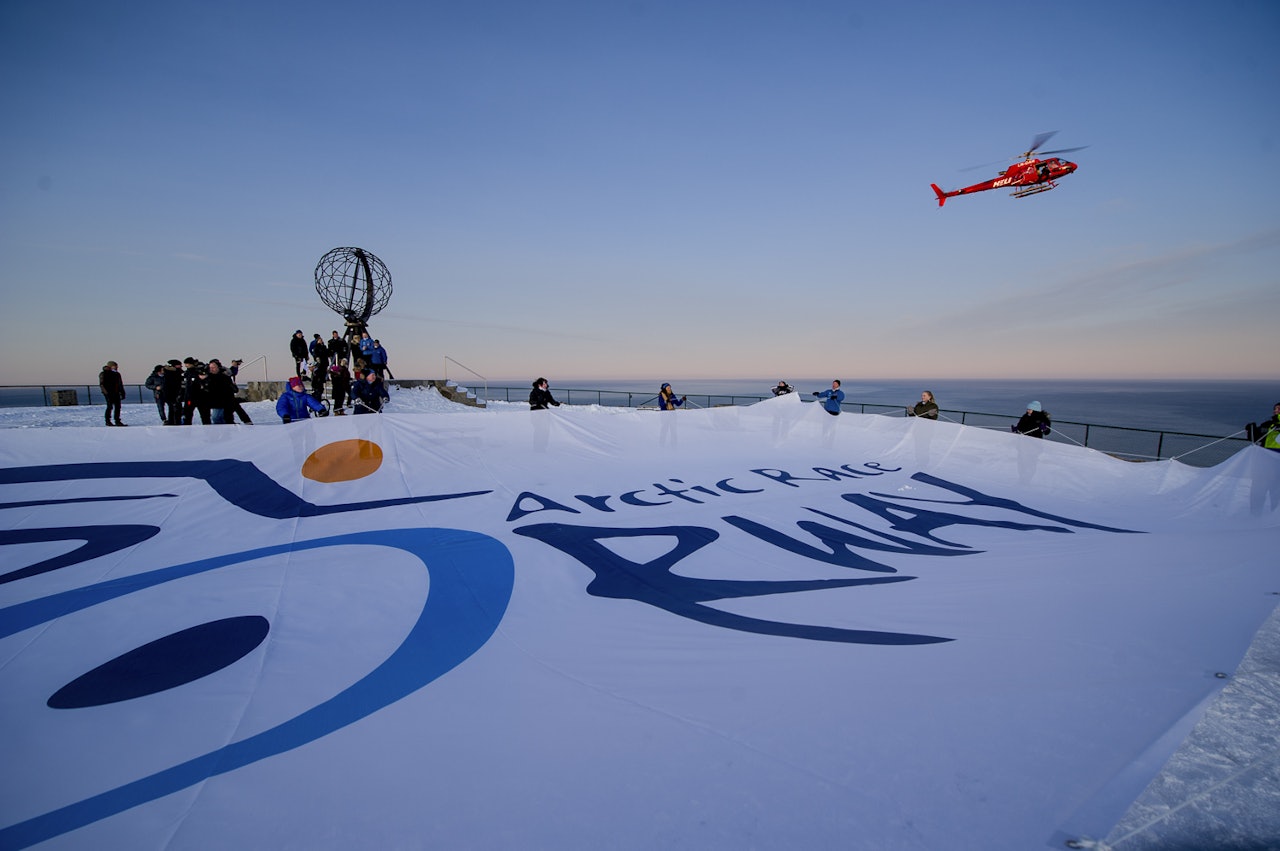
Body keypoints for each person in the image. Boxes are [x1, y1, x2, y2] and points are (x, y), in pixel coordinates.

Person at [204, 359, 238, 424]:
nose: (211, 369)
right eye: (210, 367)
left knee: (216, 417)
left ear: (218, 368)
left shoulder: (224, 377)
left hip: (223, 401)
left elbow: (232, 388)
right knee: (218, 418)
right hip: (214, 401)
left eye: (213, 367)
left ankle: (224, 431)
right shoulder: (208, 377)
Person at [98, 361, 126, 426]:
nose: (116, 367)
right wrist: (106, 393)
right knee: (110, 406)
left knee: (118, 407)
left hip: (116, 393)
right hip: (109, 393)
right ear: (110, 366)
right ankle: (108, 421)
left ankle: (117, 421)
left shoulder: (117, 374)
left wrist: (122, 393)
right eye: (115, 366)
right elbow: (102, 384)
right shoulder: (104, 373)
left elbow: (120, 384)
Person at [162, 359, 184, 425]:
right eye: (179, 365)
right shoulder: (173, 373)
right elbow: (174, 385)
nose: (181, 366)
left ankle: (173, 422)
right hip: (172, 395)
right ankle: (175, 422)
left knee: (173, 409)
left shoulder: (170, 372)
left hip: (172, 394)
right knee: (174, 409)